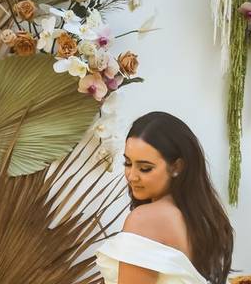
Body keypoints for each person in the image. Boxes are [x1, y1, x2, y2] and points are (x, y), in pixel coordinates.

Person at [96, 111, 234, 284]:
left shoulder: (144, 219)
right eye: (128, 163)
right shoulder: (201, 219)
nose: (131, 176)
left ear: (176, 166)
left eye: (145, 168)